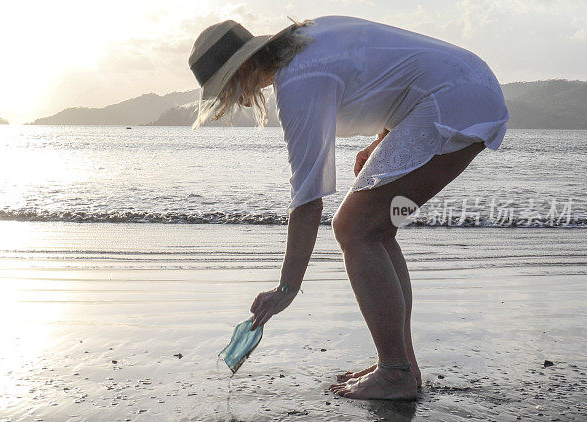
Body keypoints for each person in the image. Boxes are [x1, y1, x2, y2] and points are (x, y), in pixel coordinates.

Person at [188, 16, 508, 400]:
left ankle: (396, 373)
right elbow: (400, 70)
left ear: (242, 68)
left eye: (224, 87)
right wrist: (382, 142)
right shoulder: (308, 40)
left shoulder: (299, 77)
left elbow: (308, 198)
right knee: (377, 229)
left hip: (457, 103)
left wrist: (286, 288)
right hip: (464, 88)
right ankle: (402, 364)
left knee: (354, 227)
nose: (231, 100)